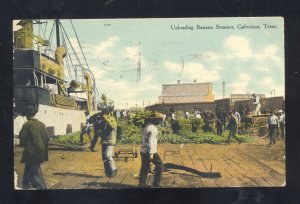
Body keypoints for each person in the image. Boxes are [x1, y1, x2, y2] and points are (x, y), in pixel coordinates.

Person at [19, 106, 48, 189]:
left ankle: (42, 188)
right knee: (28, 167)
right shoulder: (41, 124)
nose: (26, 117)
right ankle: (26, 184)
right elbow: (47, 136)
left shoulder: (27, 125)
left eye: (26, 115)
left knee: (36, 170)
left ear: (28, 115)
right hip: (42, 151)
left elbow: (22, 140)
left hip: (32, 152)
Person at [139, 111, 164, 188]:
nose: (160, 121)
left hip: (143, 150)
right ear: (154, 120)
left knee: (144, 167)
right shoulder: (153, 129)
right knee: (159, 165)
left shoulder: (145, 126)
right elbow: (151, 142)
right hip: (150, 151)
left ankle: (142, 184)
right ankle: (156, 183)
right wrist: (151, 154)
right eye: (158, 120)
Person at [94, 108, 118, 177]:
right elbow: (97, 128)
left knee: (108, 156)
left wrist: (107, 120)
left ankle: (114, 169)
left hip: (110, 141)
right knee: (104, 158)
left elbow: (112, 126)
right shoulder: (103, 121)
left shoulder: (112, 119)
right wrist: (98, 122)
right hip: (104, 141)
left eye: (104, 115)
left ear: (108, 114)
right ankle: (107, 172)